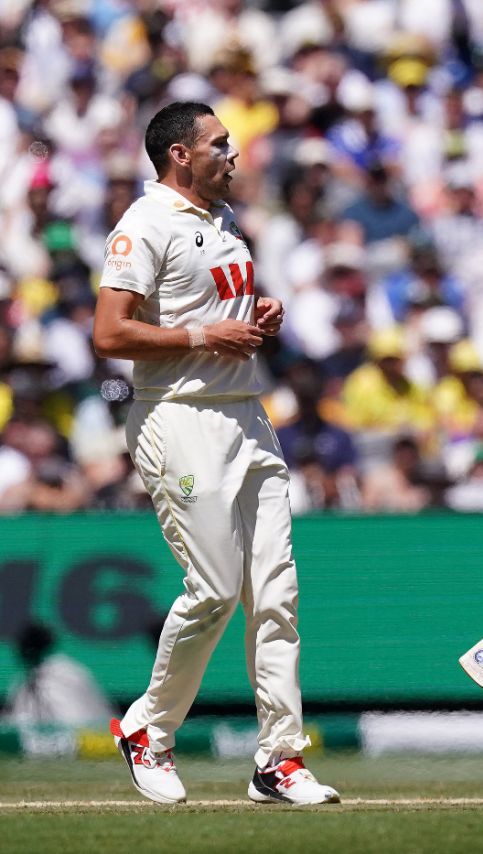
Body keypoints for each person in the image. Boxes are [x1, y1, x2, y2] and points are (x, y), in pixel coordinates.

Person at [92, 101, 338, 806]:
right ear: (179, 154)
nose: (233, 155)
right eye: (219, 145)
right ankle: (148, 730)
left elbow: (222, 313)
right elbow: (110, 333)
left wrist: (259, 317)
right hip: (178, 416)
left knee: (277, 594)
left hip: (244, 414)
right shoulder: (144, 224)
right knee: (215, 589)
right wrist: (204, 337)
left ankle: (279, 759)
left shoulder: (222, 221)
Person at [4, 622, 115, 728]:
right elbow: (16, 723)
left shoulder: (65, 674)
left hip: (92, 740)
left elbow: (76, 720)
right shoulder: (22, 682)